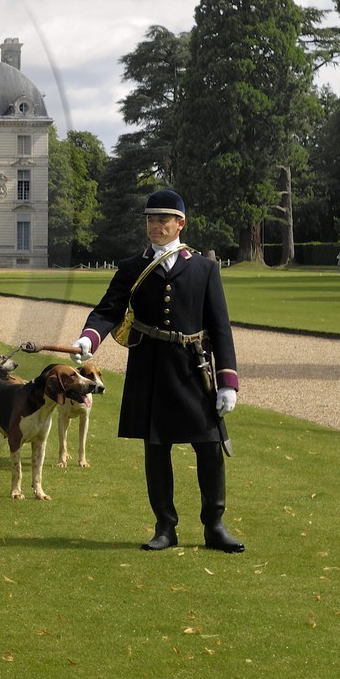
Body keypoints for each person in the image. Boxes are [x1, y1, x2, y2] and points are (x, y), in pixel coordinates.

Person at [75, 190, 244, 554]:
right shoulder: (132, 267)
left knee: (210, 447)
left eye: (163, 220)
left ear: (180, 223)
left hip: (192, 368)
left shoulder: (204, 268)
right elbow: (107, 310)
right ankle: (165, 527)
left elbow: (220, 327)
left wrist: (227, 381)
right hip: (149, 367)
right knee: (156, 447)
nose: (155, 226)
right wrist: (89, 339)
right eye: (151, 219)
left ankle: (214, 525)